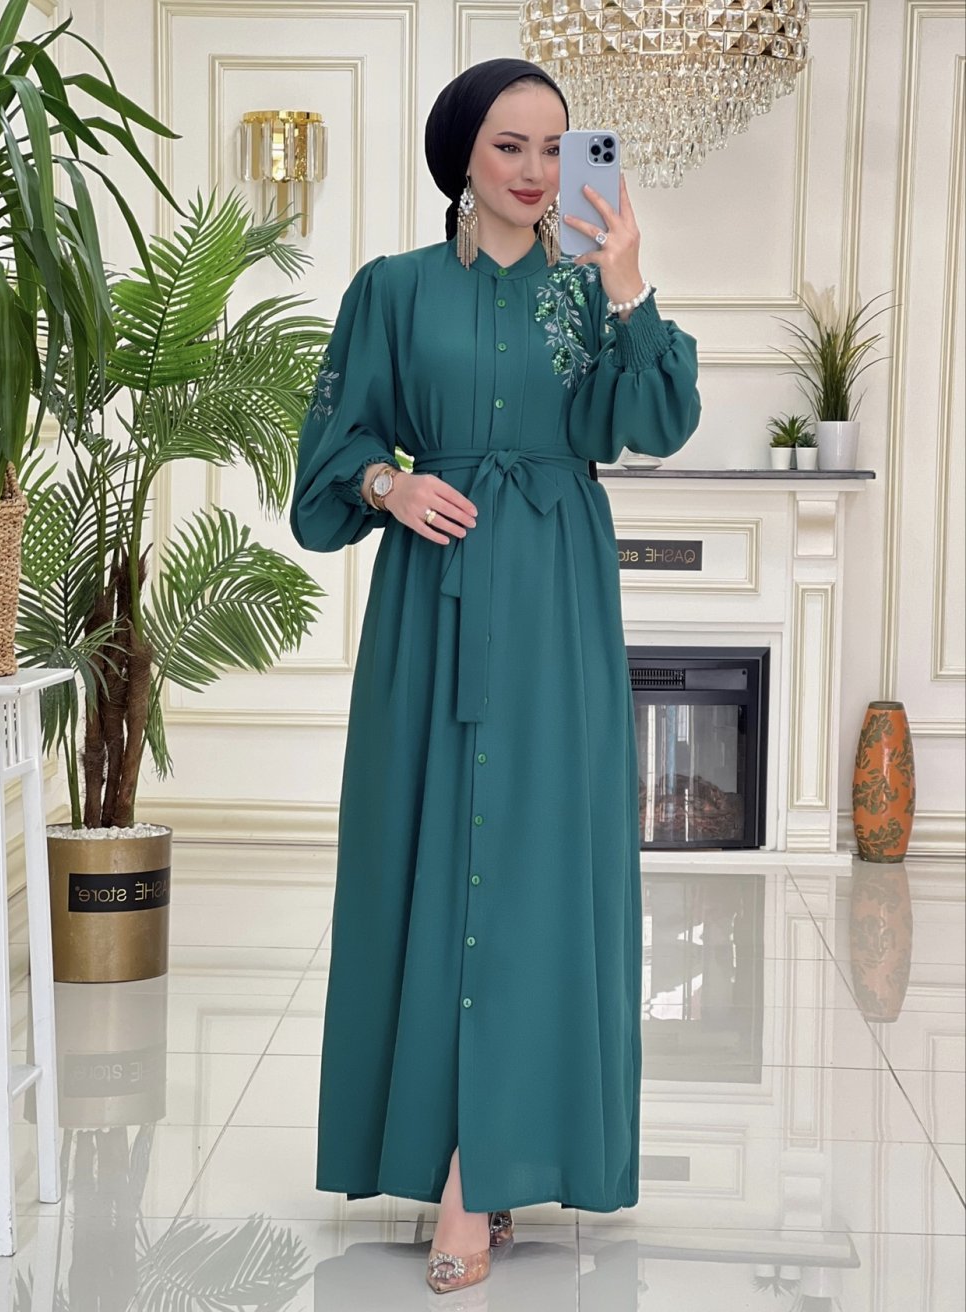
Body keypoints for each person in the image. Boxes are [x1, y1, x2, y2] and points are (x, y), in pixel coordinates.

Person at [290, 57, 701, 1296]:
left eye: (554, 147)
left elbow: (655, 421)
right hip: (434, 596)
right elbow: (331, 451)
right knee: (425, 853)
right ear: (462, 156)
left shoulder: (588, 294)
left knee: (536, 866)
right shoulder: (392, 288)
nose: (534, 170)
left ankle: (484, 1168)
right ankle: (461, 1151)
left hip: (556, 604)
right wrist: (390, 483)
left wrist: (627, 283)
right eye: (509, 145)